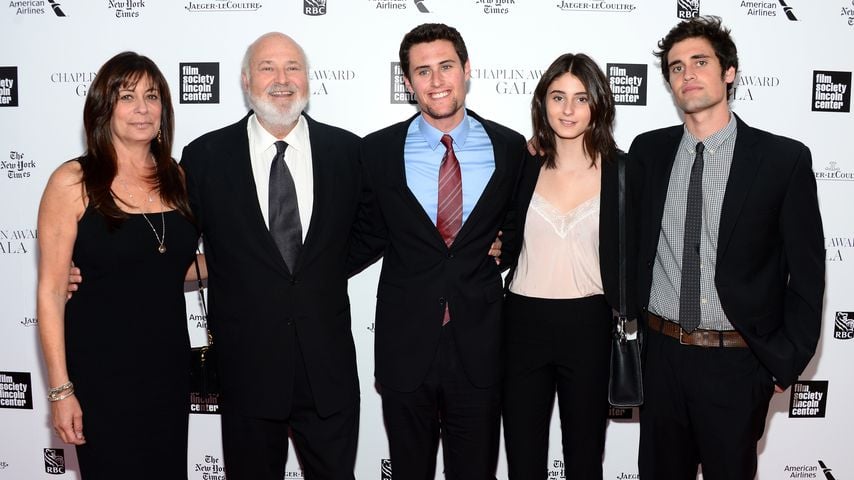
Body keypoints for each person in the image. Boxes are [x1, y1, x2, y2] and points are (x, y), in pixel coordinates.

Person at [630, 16, 824, 479]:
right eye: (676, 68)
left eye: (700, 62)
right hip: (661, 358)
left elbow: (808, 273)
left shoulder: (782, 160)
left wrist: (783, 362)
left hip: (737, 364)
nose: (687, 74)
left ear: (729, 72)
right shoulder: (647, 152)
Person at [179, 32, 362, 480]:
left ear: (308, 79)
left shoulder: (348, 152)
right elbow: (173, 246)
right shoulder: (204, 157)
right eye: (267, 68)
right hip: (247, 371)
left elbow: (377, 230)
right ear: (245, 80)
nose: (282, 80)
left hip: (329, 371)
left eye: (292, 67)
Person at [353, 23, 526, 479]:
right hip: (404, 345)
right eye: (423, 71)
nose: (436, 81)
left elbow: (522, 229)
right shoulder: (376, 152)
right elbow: (362, 234)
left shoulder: (510, 149)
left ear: (467, 70)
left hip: (481, 344)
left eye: (446, 66)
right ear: (408, 83)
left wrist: (502, 251)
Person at [37, 51, 198, 479]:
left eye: (152, 95)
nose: (142, 108)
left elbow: (164, 268)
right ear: (104, 108)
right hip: (100, 373)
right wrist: (60, 390)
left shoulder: (177, 178)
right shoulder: (73, 181)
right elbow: (52, 292)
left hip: (166, 368)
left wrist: (246, 261)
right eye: (127, 97)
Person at [500, 53, 638, 480]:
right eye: (557, 97)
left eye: (581, 98)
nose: (568, 109)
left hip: (590, 323)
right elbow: (499, 231)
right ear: (543, 102)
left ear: (598, 104)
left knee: (584, 458)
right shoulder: (522, 164)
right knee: (523, 458)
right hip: (521, 321)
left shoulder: (623, 171)